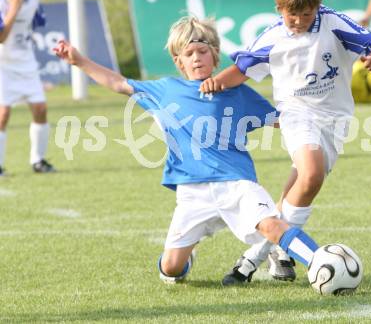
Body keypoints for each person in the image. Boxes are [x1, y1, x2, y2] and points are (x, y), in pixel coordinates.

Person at [54, 16, 320, 285]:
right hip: (192, 194)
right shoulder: (166, 90)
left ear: (215, 56)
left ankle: (321, 261)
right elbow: (118, 83)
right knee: (170, 269)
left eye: (202, 52)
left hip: (237, 184)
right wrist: (79, 61)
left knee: (271, 226)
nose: (196, 58)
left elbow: (283, 121)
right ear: (179, 61)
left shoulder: (237, 92)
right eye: (189, 54)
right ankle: (187, 254)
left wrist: (315, 125)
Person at [200, 0, 371, 285]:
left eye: (306, 14)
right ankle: (272, 254)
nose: (299, 21)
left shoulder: (333, 23)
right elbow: (243, 68)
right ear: (279, 9)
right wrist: (214, 83)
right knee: (312, 173)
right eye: (292, 15)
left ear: (318, 6)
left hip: (335, 119)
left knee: (300, 187)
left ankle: (256, 258)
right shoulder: (274, 36)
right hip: (295, 112)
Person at [0, 0, 54, 175]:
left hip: (26, 63)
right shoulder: (2, 2)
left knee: (40, 108)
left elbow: (38, 23)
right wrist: (13, 8)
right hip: (3, 66)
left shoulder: (33, 0)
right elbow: (1, 37)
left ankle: (38, 161)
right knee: (3, 114)